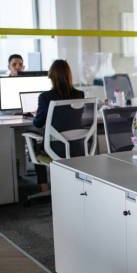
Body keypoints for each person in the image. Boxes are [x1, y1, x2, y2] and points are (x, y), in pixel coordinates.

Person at [32, 59, 85, 192]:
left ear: (51, 77)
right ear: (69, 76)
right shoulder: (80, 94)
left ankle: (43, 186)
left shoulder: (45, 97)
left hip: (55, 150)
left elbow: (38, 123)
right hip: (78, 148)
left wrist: (35, 115)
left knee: (34, 143)